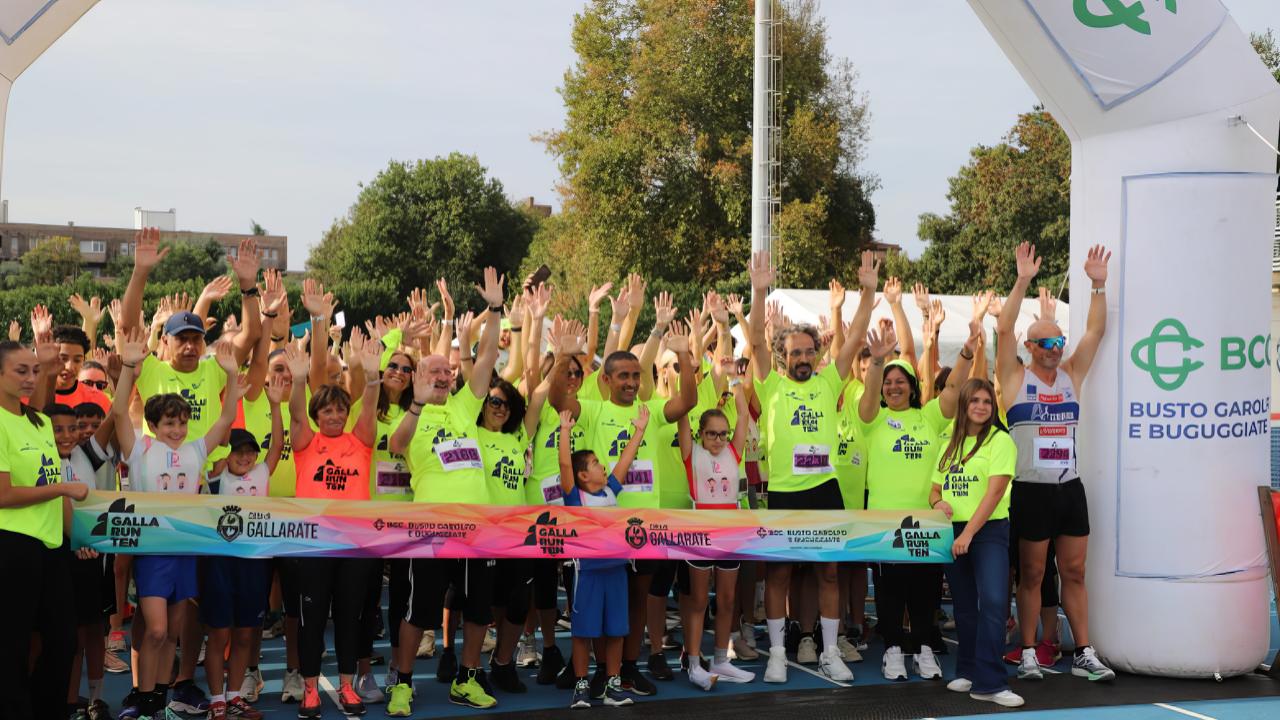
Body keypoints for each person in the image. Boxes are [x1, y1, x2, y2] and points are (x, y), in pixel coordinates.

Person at [548, 302, 698, 696]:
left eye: (636, 375)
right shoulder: (594, 410)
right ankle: (601, 671)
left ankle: (627, 668)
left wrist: (684, 355)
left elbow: (687, 401)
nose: (631, 382)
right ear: (607, 379)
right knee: (601, 603)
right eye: (624, 376)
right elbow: (557, 401)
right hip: (604, 527)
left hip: (645, 525)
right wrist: (563, 357)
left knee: (637, 600)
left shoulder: (650, 411)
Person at [746, 250, 875, 684]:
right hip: (785, 491)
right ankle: (777, 655)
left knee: (829, 571)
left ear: (817, 353)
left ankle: (830, 652)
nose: (802, 358)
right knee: (779, 572)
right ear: (783, 357)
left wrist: (868, 292)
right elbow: (756, 341)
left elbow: (855, 338)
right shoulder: (770, 385)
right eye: (794, 353)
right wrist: (759, 291)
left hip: (826, 489)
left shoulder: (829, 381)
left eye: (808, 351)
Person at [385, 267, 506, 717]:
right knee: (419, 611)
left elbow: (488, 355)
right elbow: (396, 445)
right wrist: (417, 403)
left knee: (477, 611)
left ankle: (467, 679)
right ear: (419, 374)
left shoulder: (463, 405)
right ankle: (402, 683)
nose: (444, 374)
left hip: (477, 525)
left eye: (448, 371)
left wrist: (495, 309)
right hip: (431, 527)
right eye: (434, 369)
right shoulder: (410, 411)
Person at [995, 242, 1115, 682]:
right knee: (1031, 574)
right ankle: (1028, 650)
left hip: (1069, 489)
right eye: (1045, 343)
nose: (1054, 348)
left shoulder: (1071, 374)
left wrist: (1098, 284)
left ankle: (1083, 650)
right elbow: (1003, 329)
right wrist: (1022, 281)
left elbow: (1095, 332)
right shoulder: (1015, 377)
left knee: (1074, 572)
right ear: (1029, 347)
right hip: (1031, 490)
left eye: (1058, 341)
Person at [111, 331, 245, 720]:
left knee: (172, 633)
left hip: (185, 549)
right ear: (153, 424)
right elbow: (119, 413)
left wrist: (231, 375)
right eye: (170, 423)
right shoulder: (140, 449)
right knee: (154, 630)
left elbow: (226, 418)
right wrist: (129, 368)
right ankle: (143, 697)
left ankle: (159, 702)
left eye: (183, 423)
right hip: (152, 552)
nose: (177, 430)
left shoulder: (196, 450)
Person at [282, 322, 384, 718]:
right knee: (311, 621)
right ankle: (310, 689)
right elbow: (295, 413)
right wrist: (299, 379)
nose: (335, 415)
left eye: (341, 409)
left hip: (354, 547)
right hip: (313, 547)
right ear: (317, 414)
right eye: (327, 410)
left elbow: (369, 407)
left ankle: (346, 686)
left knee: (348, 619)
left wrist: (371, 378)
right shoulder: (307, 443)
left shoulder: (360, 442)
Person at [0, 338, 88, 720]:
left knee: (64, 641)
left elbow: (51, 489)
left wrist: (79, 537)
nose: (30, 378)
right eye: (21, 370)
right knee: (12, 647)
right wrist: (63, 488)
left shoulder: (36, 421)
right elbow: (3, 495)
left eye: (34, 371)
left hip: (50, 547)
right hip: (11, 547)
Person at [930, 378, 1024, 708]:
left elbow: (995, 492)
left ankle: (991, 682)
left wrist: (968, 534)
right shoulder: (950, 443)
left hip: (987, 531)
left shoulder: (1000, 441)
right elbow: (935, 489)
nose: (981, 406)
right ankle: (968, 671)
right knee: (965, 606)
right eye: (975, 400)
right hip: (953, 531)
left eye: (987, 401)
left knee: (994, 603)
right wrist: (938, 502)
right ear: (964, 404)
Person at [201, 384, 285, 720]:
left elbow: (277, 446)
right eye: (239, 451)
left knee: (246, 634)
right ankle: (216, 699)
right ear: (227, 453)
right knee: (219, 633)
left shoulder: (261, 472)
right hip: (221, 563)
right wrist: (230, 402)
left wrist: (275, 406)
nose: (246, 457)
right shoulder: (215, 475)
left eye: (250, 452)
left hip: (256, 562)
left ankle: (234, 696)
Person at [558, 407, 648, 709]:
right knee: (583, 632)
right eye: (596, 463)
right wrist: (565, 431)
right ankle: (581, 686)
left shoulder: (610, 491)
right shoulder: (575, 497)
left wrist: (639, 431)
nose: (603, 466)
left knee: (616, 630)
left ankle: (613, 684)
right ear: (583, 475)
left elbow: (625, 460)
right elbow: (564, 464)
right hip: (587, 573)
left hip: (617, 570)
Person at [676, 364, 756, 688]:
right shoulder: (691, 452)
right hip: (699, 531)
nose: (719, 439)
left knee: (726, 600)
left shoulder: (733, 452)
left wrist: (735, 380)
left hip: (730, 531)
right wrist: (683, 370)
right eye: (712, 433)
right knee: (698, 601)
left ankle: (721, 660)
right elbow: (682, 412)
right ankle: (694, 662)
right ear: (701, 433)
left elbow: (744, 414)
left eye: (724, 433)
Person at [48, 401, 117, 720]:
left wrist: (124, 377)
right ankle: (68, 700)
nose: (67, 435)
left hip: (91, 552)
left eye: (72, 428)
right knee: (67, 635)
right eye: (58, 429)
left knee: (93, 629)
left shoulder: (87, 453)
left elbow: (115, 413)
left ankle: (95, 700)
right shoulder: (39, 456)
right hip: (55, 551)